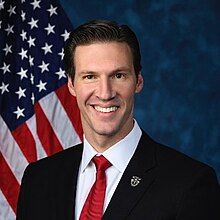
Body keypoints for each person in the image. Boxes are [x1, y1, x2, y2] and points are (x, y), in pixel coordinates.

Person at [17, 20, 220, 220]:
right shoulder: (38, 179)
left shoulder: (189, 183)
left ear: (138, 81)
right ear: (71, 84)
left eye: (118, 75)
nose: (105, 93)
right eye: (90, 76)